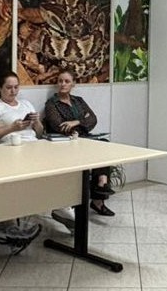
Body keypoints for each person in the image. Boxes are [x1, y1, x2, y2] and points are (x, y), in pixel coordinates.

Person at [42, 69, 115, 216]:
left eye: (67, 81)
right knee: (81, 151)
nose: (63, 84)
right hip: (66, 141)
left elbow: (92, 119)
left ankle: (100, 190)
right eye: (60, 81)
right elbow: (60, 126)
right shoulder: (52, 104)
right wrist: (81, 123)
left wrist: (76, 122)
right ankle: (91, 196)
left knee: (104, 144)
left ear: (73, 84)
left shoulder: (78, 101)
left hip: (83, 138)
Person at [0, 71, 45, 145]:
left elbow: (40, 133)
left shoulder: (26, 103)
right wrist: (12, 128)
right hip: (11, 144)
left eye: (16, 87)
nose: (13, 91)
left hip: (33, 142)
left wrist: (37, 121)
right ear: (0, 88)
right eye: (9, 88)